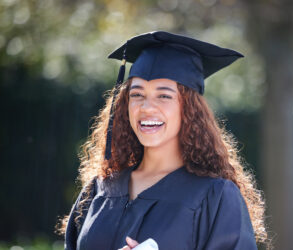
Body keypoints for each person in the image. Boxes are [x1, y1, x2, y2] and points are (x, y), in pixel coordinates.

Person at [58, 31, 267, 250]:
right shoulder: (100, 189)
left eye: (164, 96)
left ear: (189, 109)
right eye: (137, 95)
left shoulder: (215, 197)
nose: (146, 107)